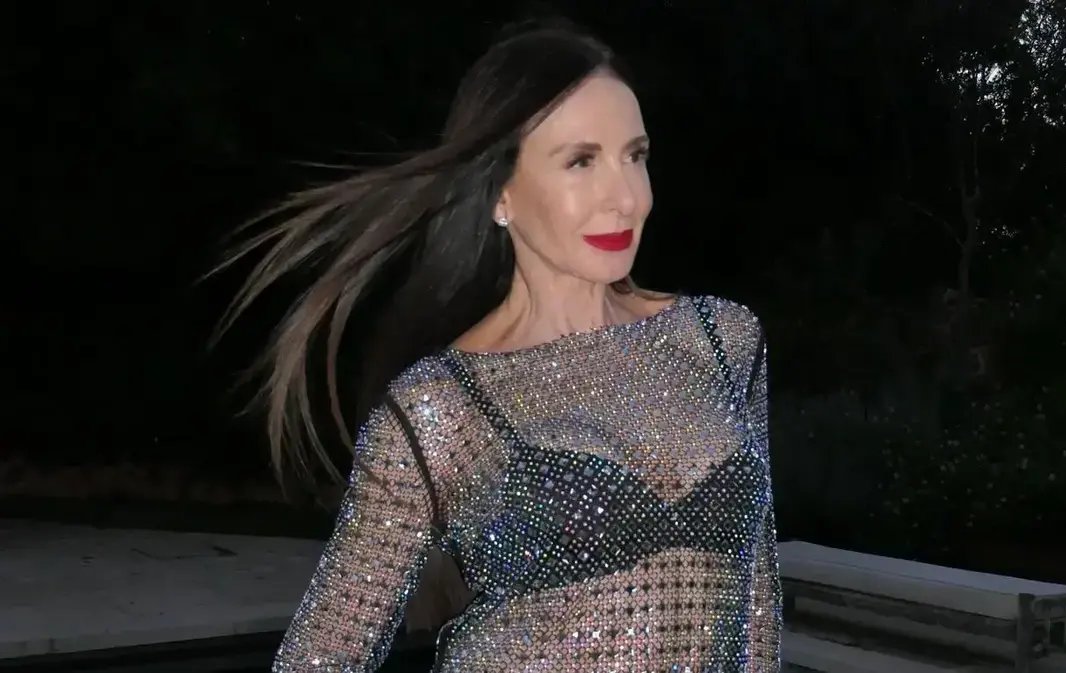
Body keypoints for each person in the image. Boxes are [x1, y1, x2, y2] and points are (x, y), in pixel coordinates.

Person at [216, 20, 781, 673]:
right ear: (501, 194)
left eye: (635, 155)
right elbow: (320, 656)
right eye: (581, 161)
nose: (626, 198)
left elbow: (758, 604)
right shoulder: (439, 408)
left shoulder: (721, 340)